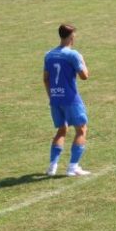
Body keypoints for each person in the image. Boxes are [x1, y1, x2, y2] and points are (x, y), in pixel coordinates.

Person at [44, 24, 91, 177]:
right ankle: (73, 167)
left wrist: (52, 96)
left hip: (55, 99)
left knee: (61, 130)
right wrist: (82, 61)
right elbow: (84, 76)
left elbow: (45, 79)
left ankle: (52, 166)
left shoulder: (49, 55)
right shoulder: (73, 55)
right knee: (81, 130)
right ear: (71, 37)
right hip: (71, 99)